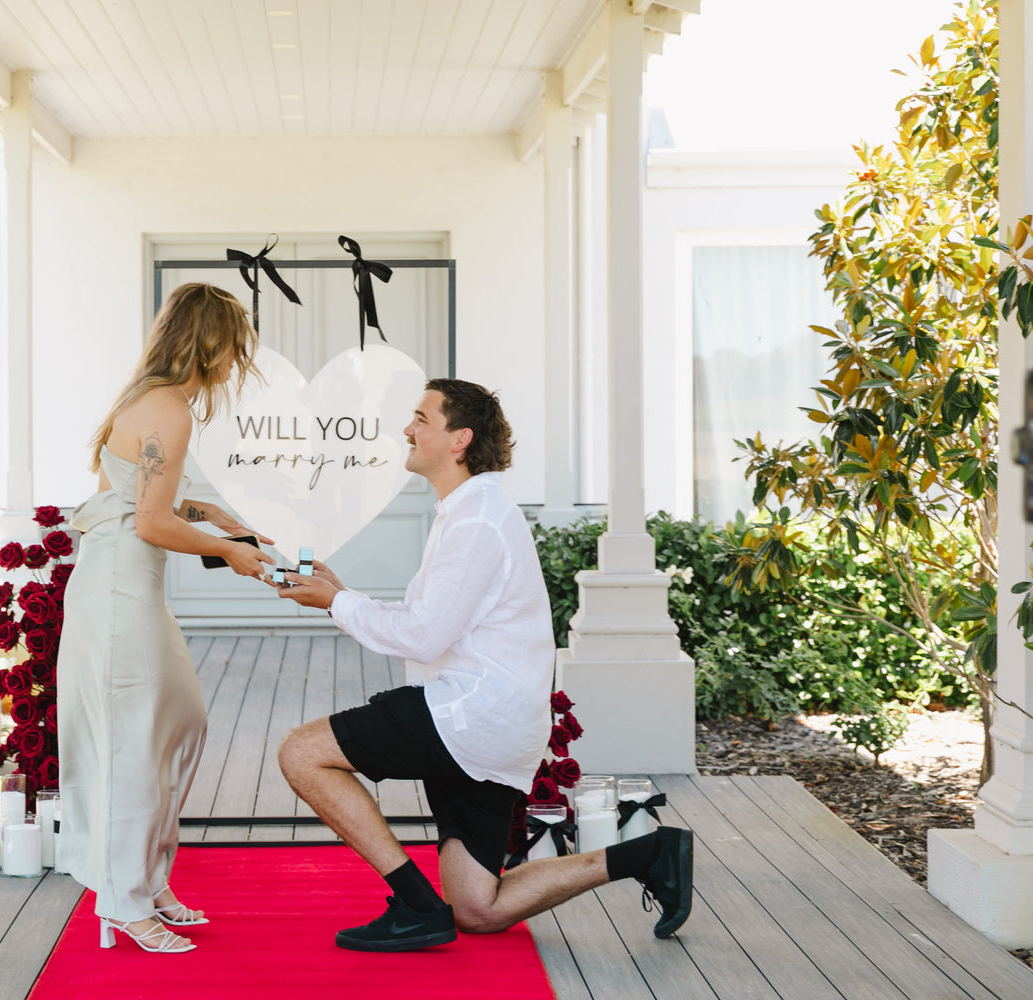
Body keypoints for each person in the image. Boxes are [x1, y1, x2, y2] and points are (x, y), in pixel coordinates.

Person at [273, 378, 693, 951]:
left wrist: (336, 604)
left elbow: (422, 637)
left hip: (469, 714)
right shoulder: (472, 511)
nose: (407, 429)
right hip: (491, 723)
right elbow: (431, 621)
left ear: (460, 439)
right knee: (478, 909)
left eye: (421, 418)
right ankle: (647, 853)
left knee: (301, 752)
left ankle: (415, 904)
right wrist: (341, 595)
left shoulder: (475, 520)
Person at [59, 283, 276, 954]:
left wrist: (212, 517)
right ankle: (124, 901)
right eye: (233, 347)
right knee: (135, 741)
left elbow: (134, 501)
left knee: (181, 719)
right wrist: (228, 551)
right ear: (208, 343)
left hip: (124, 585)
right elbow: (150, 522)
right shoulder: (168, 411)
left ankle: (146, 878)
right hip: (119, 592)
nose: (235, 362)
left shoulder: (151, 402)